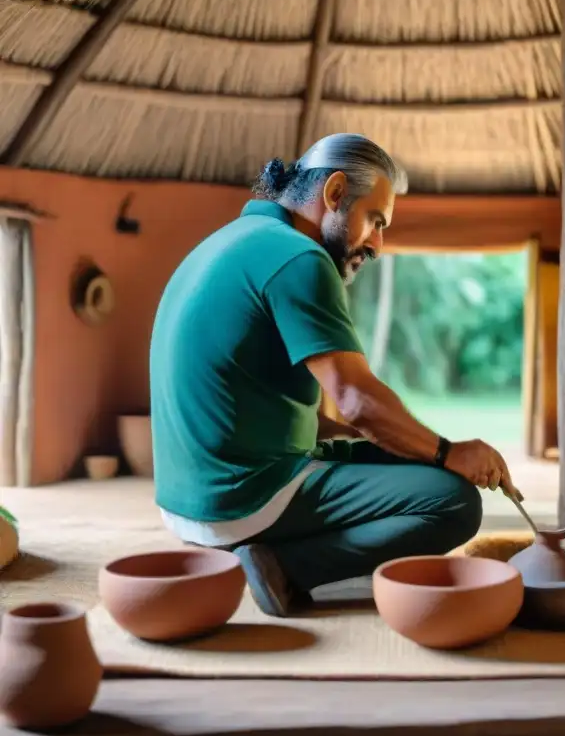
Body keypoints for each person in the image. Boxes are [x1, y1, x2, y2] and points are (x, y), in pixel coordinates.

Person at [149, 133, 516, 617]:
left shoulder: (228, 243)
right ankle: (280, 564)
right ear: (336, 193)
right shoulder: (300, 258)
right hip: (241, 497)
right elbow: (357, 401)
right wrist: (451, 453)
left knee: (406, 456)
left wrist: (404, 447)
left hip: (186, 498)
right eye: (376, 220)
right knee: (452, 502)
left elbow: (266, 401)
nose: (379, 244)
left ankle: (258, 553)